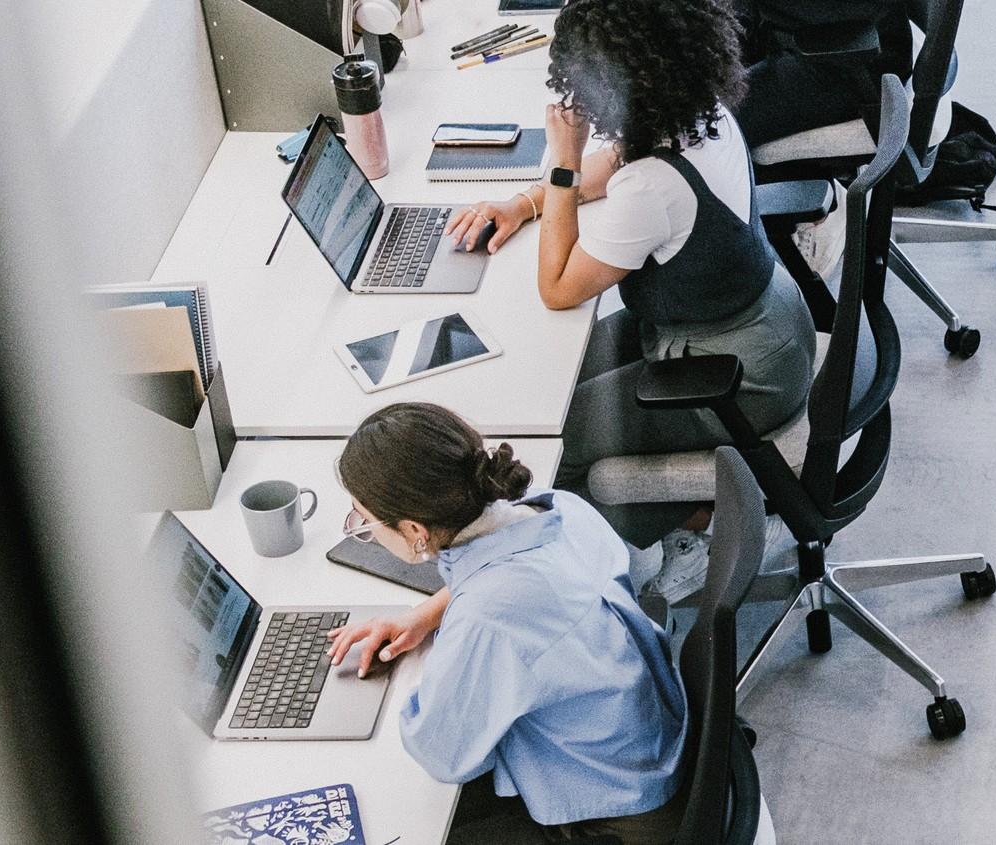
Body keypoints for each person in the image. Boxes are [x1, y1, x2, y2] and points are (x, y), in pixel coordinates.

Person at [443, 0, 815, 554]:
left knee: (551, 446)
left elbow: (557, 287)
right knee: (547, 381)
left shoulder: (653, 188)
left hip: (741, 379)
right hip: (757, 324)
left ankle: (691, 534)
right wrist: (524, 203)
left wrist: (563, 161)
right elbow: (616, 161)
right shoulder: (696, 108)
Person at [321, 403, 690, 844]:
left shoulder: (489, 617)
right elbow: (508, 578)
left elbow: (443, 756)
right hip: (649, 746)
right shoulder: (556, 507)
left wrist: (436, 670)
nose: (365, 529)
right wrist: (424, 616)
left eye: (365, 521)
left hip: (617, 814)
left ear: (415, 530)